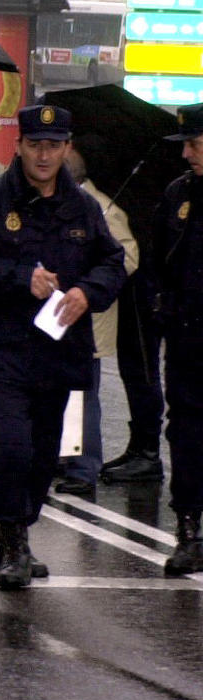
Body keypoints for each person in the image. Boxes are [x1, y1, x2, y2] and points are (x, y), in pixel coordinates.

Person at [0, 104, 125, 589]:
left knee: (44, 451)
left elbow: (112, 261)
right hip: (1, 348)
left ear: (67, 149)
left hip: (57, 351)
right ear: (18, 146)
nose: (43, 155)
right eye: (34, 145)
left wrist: (88, 292)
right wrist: (20, 278)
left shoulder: (83, 207)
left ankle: (19, 528)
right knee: (12, 445)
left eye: (53, 146)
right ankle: (12, 532)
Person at [53, 146, 136, 498]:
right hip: (58, 317)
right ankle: (66, 454)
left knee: (85, 396)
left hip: (90, 319)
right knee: (60, 392)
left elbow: (128, 258)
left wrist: (91, 280)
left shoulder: (102, 207)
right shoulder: (66, 204)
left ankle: (84, 467)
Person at [146, 105, 203, 574]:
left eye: (194, 144)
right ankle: (188, 532)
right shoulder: (177, 194)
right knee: (184, 433)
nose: (186, 154)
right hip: (186, 340)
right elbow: (156, 260)